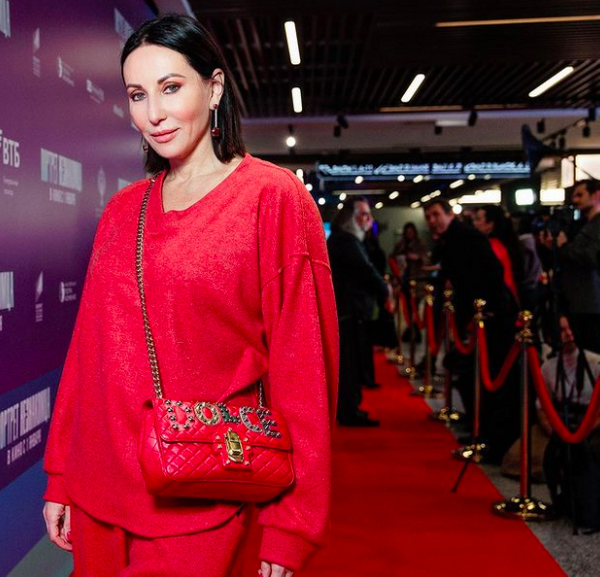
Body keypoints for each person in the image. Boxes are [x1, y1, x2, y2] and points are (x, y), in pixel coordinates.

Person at [42, 15, 338, 577]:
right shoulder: (122, 211)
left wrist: (292, 525)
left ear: (214, 87)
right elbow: (88, 353)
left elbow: (303, 371)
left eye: (171, 87)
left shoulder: (271, 198)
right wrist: (61, 476)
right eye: (137, 95)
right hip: (99, 488)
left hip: (202, 490)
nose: (153, 113)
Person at [423, 199, 520, 462]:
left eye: (435, 214)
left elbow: (493, 273)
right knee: (471, 376)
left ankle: (488, 438)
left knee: (486, 380)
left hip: (489, 320)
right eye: (428, 216)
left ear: (449, 214)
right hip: (475, 318)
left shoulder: (466, 236)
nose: (432, 220)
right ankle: (480, 431)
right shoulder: (449, 239)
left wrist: (485, 311)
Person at [327, 198, 390, 426]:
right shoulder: (345, 241)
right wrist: (385, 290)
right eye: (363, 214)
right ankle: (349, 410)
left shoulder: (344, 239)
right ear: (350, 218)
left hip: (349, 310)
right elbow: (366, 271)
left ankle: (350, 408)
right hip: (348, 311)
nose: (368, 220)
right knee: (349, 364)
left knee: (351, 363)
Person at [545, 180, 600, 354]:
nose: (575, 200)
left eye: (580, 195)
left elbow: (589, 257)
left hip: (590, 303)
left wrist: (563, 246)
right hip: (580, 301)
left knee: (592, 353)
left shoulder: (596, 226)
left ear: (596, 195)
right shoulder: (583, 225)